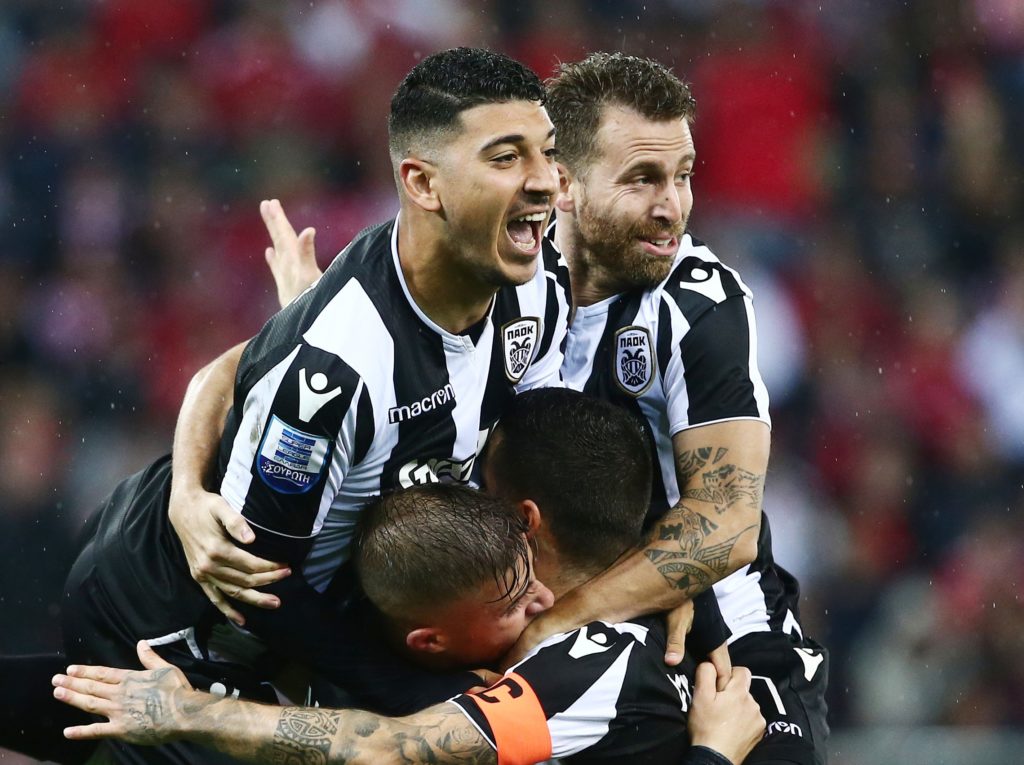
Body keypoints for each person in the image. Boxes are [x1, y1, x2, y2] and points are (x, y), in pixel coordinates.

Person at [257, 53, 830, 764]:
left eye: (683, 176)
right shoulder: (496, 274)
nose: (672, 207)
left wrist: (560, 624)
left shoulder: (699, 302)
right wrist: (191, 484)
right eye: (642, 179)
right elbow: (278, 364)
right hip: (517, 617)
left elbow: (727, 523)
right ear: (564, 182)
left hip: (718, 644)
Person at [52, 47, 570, 765]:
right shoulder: (336, 369)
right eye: (507, 158)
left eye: (548, 151)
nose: (547, 181)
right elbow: (255, 584)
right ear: (422, 183)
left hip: (319, 602)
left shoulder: (535, 279)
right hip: (168, 623)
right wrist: (419, 695)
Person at [53, 388, 765, 765]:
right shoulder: (634, 617)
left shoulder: (587, 667)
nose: (541, 601)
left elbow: (384, 748)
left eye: (481, 484)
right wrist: (187, 488)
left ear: (527, 518)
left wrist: (188, 714)